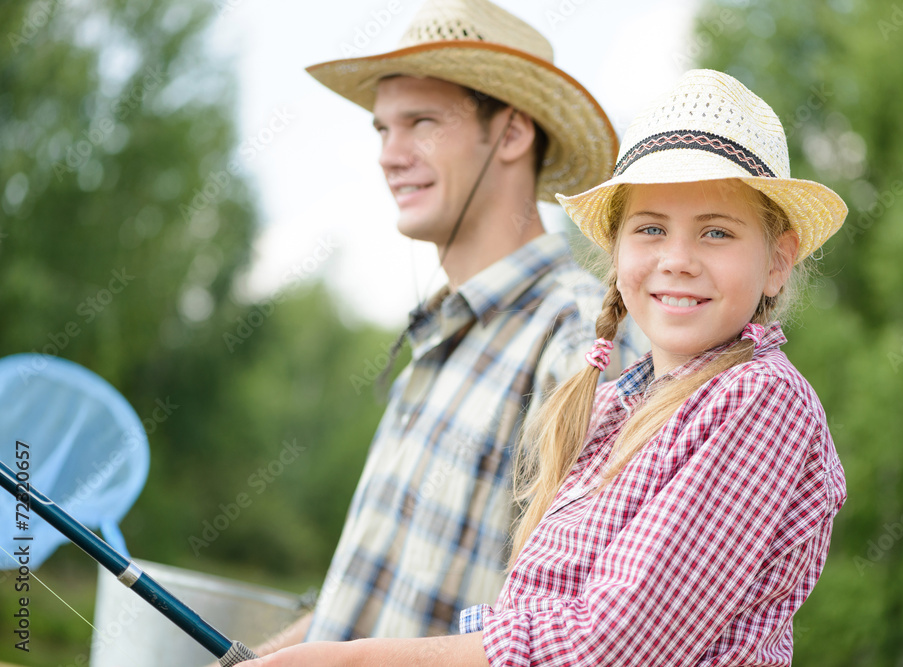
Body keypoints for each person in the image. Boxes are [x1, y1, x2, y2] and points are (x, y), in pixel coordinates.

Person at [244, 68, 850, 666]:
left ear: (778, 261)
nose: (678, 260)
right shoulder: (616, 405)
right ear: (616, 252)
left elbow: (612, 642)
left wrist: (356, 661)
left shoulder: (761, 400)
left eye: (717, 232)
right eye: (651, 229)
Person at [249, 0, 640, 654]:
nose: (389, 155)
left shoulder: (578, 342)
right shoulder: (439, 339)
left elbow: (575, 638)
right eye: (382, 130)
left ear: (513, 133)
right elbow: (362, 606)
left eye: (422, 122)